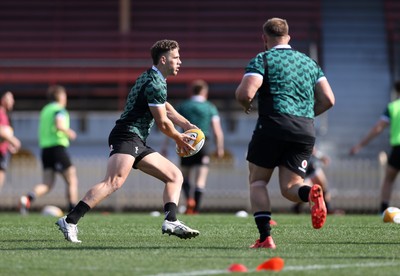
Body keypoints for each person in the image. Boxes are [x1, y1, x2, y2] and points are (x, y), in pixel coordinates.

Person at [55, 39, 200, 243]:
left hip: (136, 139)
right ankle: (70, 220)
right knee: (113, 182)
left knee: (174, 175)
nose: (180, 61)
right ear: (164, 59)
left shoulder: (153, 78)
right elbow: (163, 123)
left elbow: (164, 106)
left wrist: (187, 124)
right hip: (126, 135)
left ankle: (171, 220)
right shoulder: (155, 83)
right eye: (176, 57)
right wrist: (179, 138)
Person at [235, 17, 335, 249]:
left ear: (264, 38)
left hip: (273, 124)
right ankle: (311, 193)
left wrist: (245, 103)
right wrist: (306, 114)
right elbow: (329, 99)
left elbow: (244, 93)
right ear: (288, 37)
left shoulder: (263, 59)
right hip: (305, 129)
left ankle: (265, 238)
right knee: (291, 188)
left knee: (258, 182)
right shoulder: (310, 63)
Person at [19, 85, 78, 215]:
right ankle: (73, 210)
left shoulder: (45, 110)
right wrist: (69, 132)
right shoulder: (59, 110)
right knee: (72, 178)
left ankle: (27, 198)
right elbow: (59, 124)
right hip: (57, 148)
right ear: (61, 97)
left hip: (45, 150)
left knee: (47, 184)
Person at [349, 80, 400, 214]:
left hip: (398, 149)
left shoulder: (393, 107)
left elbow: (377, 128)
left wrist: (360, 145)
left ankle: (383, 210)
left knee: (388, 179)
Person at [175, 80, 224, 214]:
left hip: (186, 142)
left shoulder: (183, 106)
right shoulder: (210, 107)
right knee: (200, 178)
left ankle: (189, 200)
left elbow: (174, 126)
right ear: (204, 92)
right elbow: (217, 130)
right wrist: (220, 148)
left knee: (185, 175)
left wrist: (166, 145)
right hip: (204, 143)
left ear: (192, 91)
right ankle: (195, 209)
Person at [292, 146, 333, 214]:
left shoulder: (306, 139)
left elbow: (312, 149)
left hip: (311, 167)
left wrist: (321, 157)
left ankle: (327, 209)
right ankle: (297, 208)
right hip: (302, 169)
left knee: (323, 188)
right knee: (307, 191)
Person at [0, 91, 21, 191]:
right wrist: (13, 141)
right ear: (3, 99)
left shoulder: (5, 115)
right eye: (10, 98)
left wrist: (8, 146)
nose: (12, 101)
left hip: (2, 152)